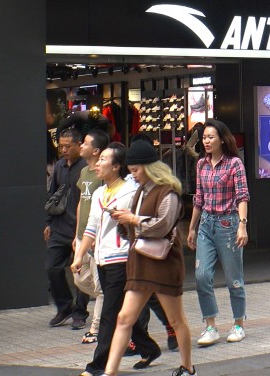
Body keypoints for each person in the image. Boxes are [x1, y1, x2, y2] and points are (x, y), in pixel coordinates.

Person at [103, 139, 195, 376]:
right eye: (131, 171)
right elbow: (138, 229)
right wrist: (123, 220)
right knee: (124, 318)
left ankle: (187, 366)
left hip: (163, 264)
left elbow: (162, 226)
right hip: (141, 263)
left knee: (176, 320)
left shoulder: (169, 193)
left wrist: (132, 220)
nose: (133, 176)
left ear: (149, 167)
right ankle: (110, 371)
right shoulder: (141, 192)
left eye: (135, 170)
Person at [73, 143, 159, 376]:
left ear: (117, 166)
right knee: (121, 310)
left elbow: (144, 221)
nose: (98, 164)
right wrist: (80, 255)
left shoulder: (130, 192)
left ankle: (97, 366)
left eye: (103, 159)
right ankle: (149, 348)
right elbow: (91, 227)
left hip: (121, 259)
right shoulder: (100, 193)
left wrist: (128, 219)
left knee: (109, 313)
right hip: (101, 258)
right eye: (99, 159)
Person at [187, 119, 250, 346]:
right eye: (204, 137)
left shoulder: (234, 164)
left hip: (228, 225)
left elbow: (242, 196)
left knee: (234, 279)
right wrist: (192, 228)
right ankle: (210, 326)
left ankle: (238, 324)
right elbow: (199, 199)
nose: (206, 141)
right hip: (206, 224)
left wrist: (242, 225)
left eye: (211, 137)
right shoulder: (201, 165)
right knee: (202, 276)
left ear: (222, 139)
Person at [45, 127, 90, 328]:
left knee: (81, 273)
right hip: (60, 225)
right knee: (52, 268)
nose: (63, 150)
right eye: (60, 146)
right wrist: (48, 223)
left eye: (67, 146)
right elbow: (53, 195)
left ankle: (80, 312)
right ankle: (64, 306)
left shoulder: (86, 168)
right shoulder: (60, 167)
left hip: (80, 228)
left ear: (79, 146)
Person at [75, 129, 107, 344]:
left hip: (97, 237)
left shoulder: (103, 175)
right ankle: (111, 303)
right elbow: (81, 203)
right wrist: (76, 234)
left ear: (95, 150)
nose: (81, 145)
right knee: (79, 278)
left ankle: (96, 327)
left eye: (85, 143)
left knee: (100, 286)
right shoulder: (85, 172)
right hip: (82, 236)